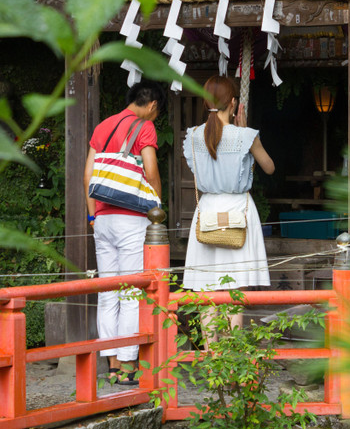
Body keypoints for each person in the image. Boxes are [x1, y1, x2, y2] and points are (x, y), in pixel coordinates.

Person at [83, 80, 165, 384]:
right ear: (153, 105)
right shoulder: (144, 126)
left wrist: (92, 215)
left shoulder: (103, 126)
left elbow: (88, 175)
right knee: (131, 292)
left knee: (108, 293)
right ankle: (129, 367)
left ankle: (113, 363)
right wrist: (157, 204)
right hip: (132, 219)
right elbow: (151, 170)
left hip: (102, 219)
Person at [182, 75, 275, 332]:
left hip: (208, 210)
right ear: (233, 103)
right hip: (238, 209)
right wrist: (246, 134)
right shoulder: (244, 136)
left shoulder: (193, 136)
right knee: (236, 287)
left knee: (207, 287)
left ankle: (212, 352)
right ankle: (232, 352)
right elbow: (269, 167)